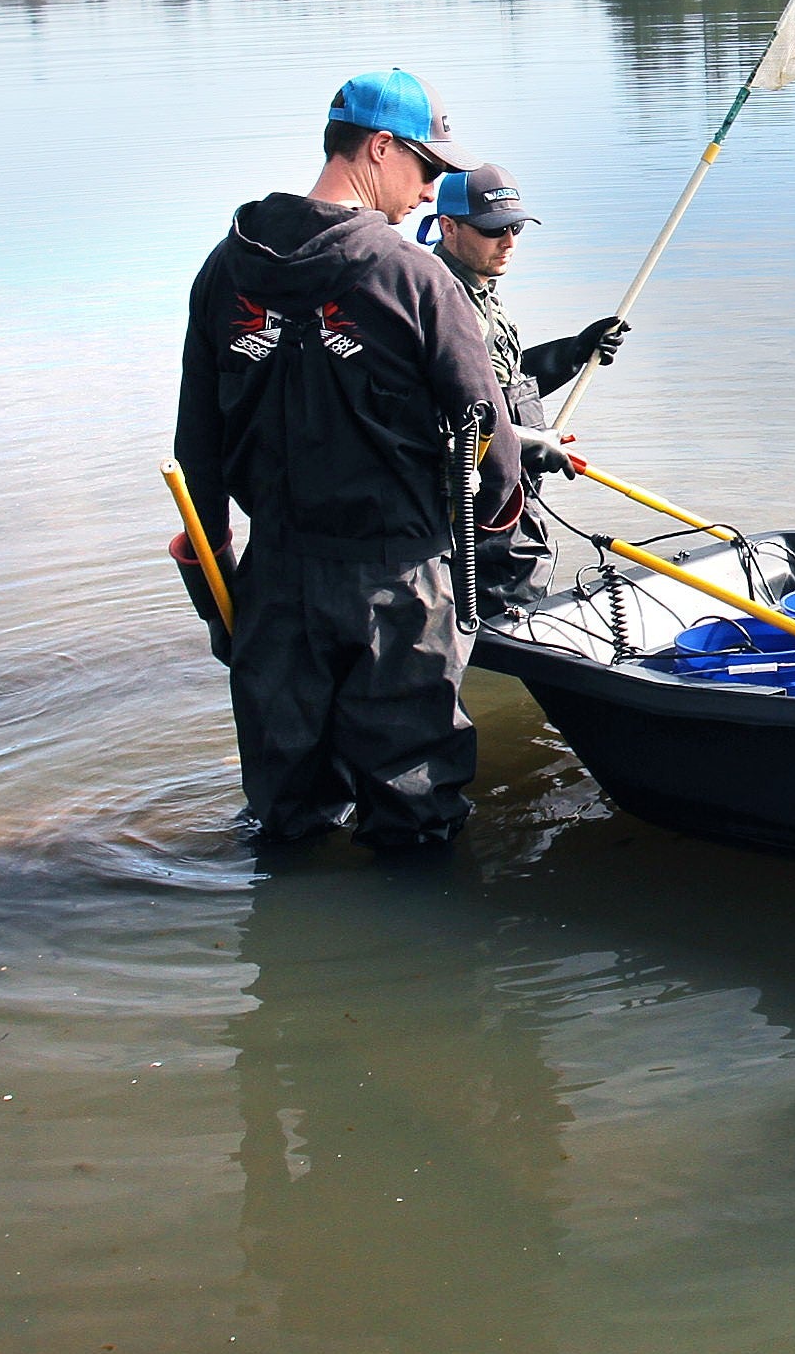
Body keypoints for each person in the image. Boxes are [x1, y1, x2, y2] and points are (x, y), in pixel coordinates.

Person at [173, 69, 547, 852]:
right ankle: (413, 961)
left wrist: (218, 598)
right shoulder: (414, 277)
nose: (428, 188)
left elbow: (195, 452)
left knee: (288, 822)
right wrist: (488, 551)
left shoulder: (223, 269)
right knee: (415, 821)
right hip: (400, 589)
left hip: (274, 586)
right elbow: (489, 440)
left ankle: (292, 956)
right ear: (379, 148)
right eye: (426, 166)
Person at [410, 160, 630, 608]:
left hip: (514, 488)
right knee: (511, 599)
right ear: (448, 227)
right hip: (481, 513)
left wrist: (571, 354)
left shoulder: (480, 288)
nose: (509, 242)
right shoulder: (443, 303)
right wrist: (531, 442)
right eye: (494, 230)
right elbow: (448, 423)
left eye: (516, 228)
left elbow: (499, 384)